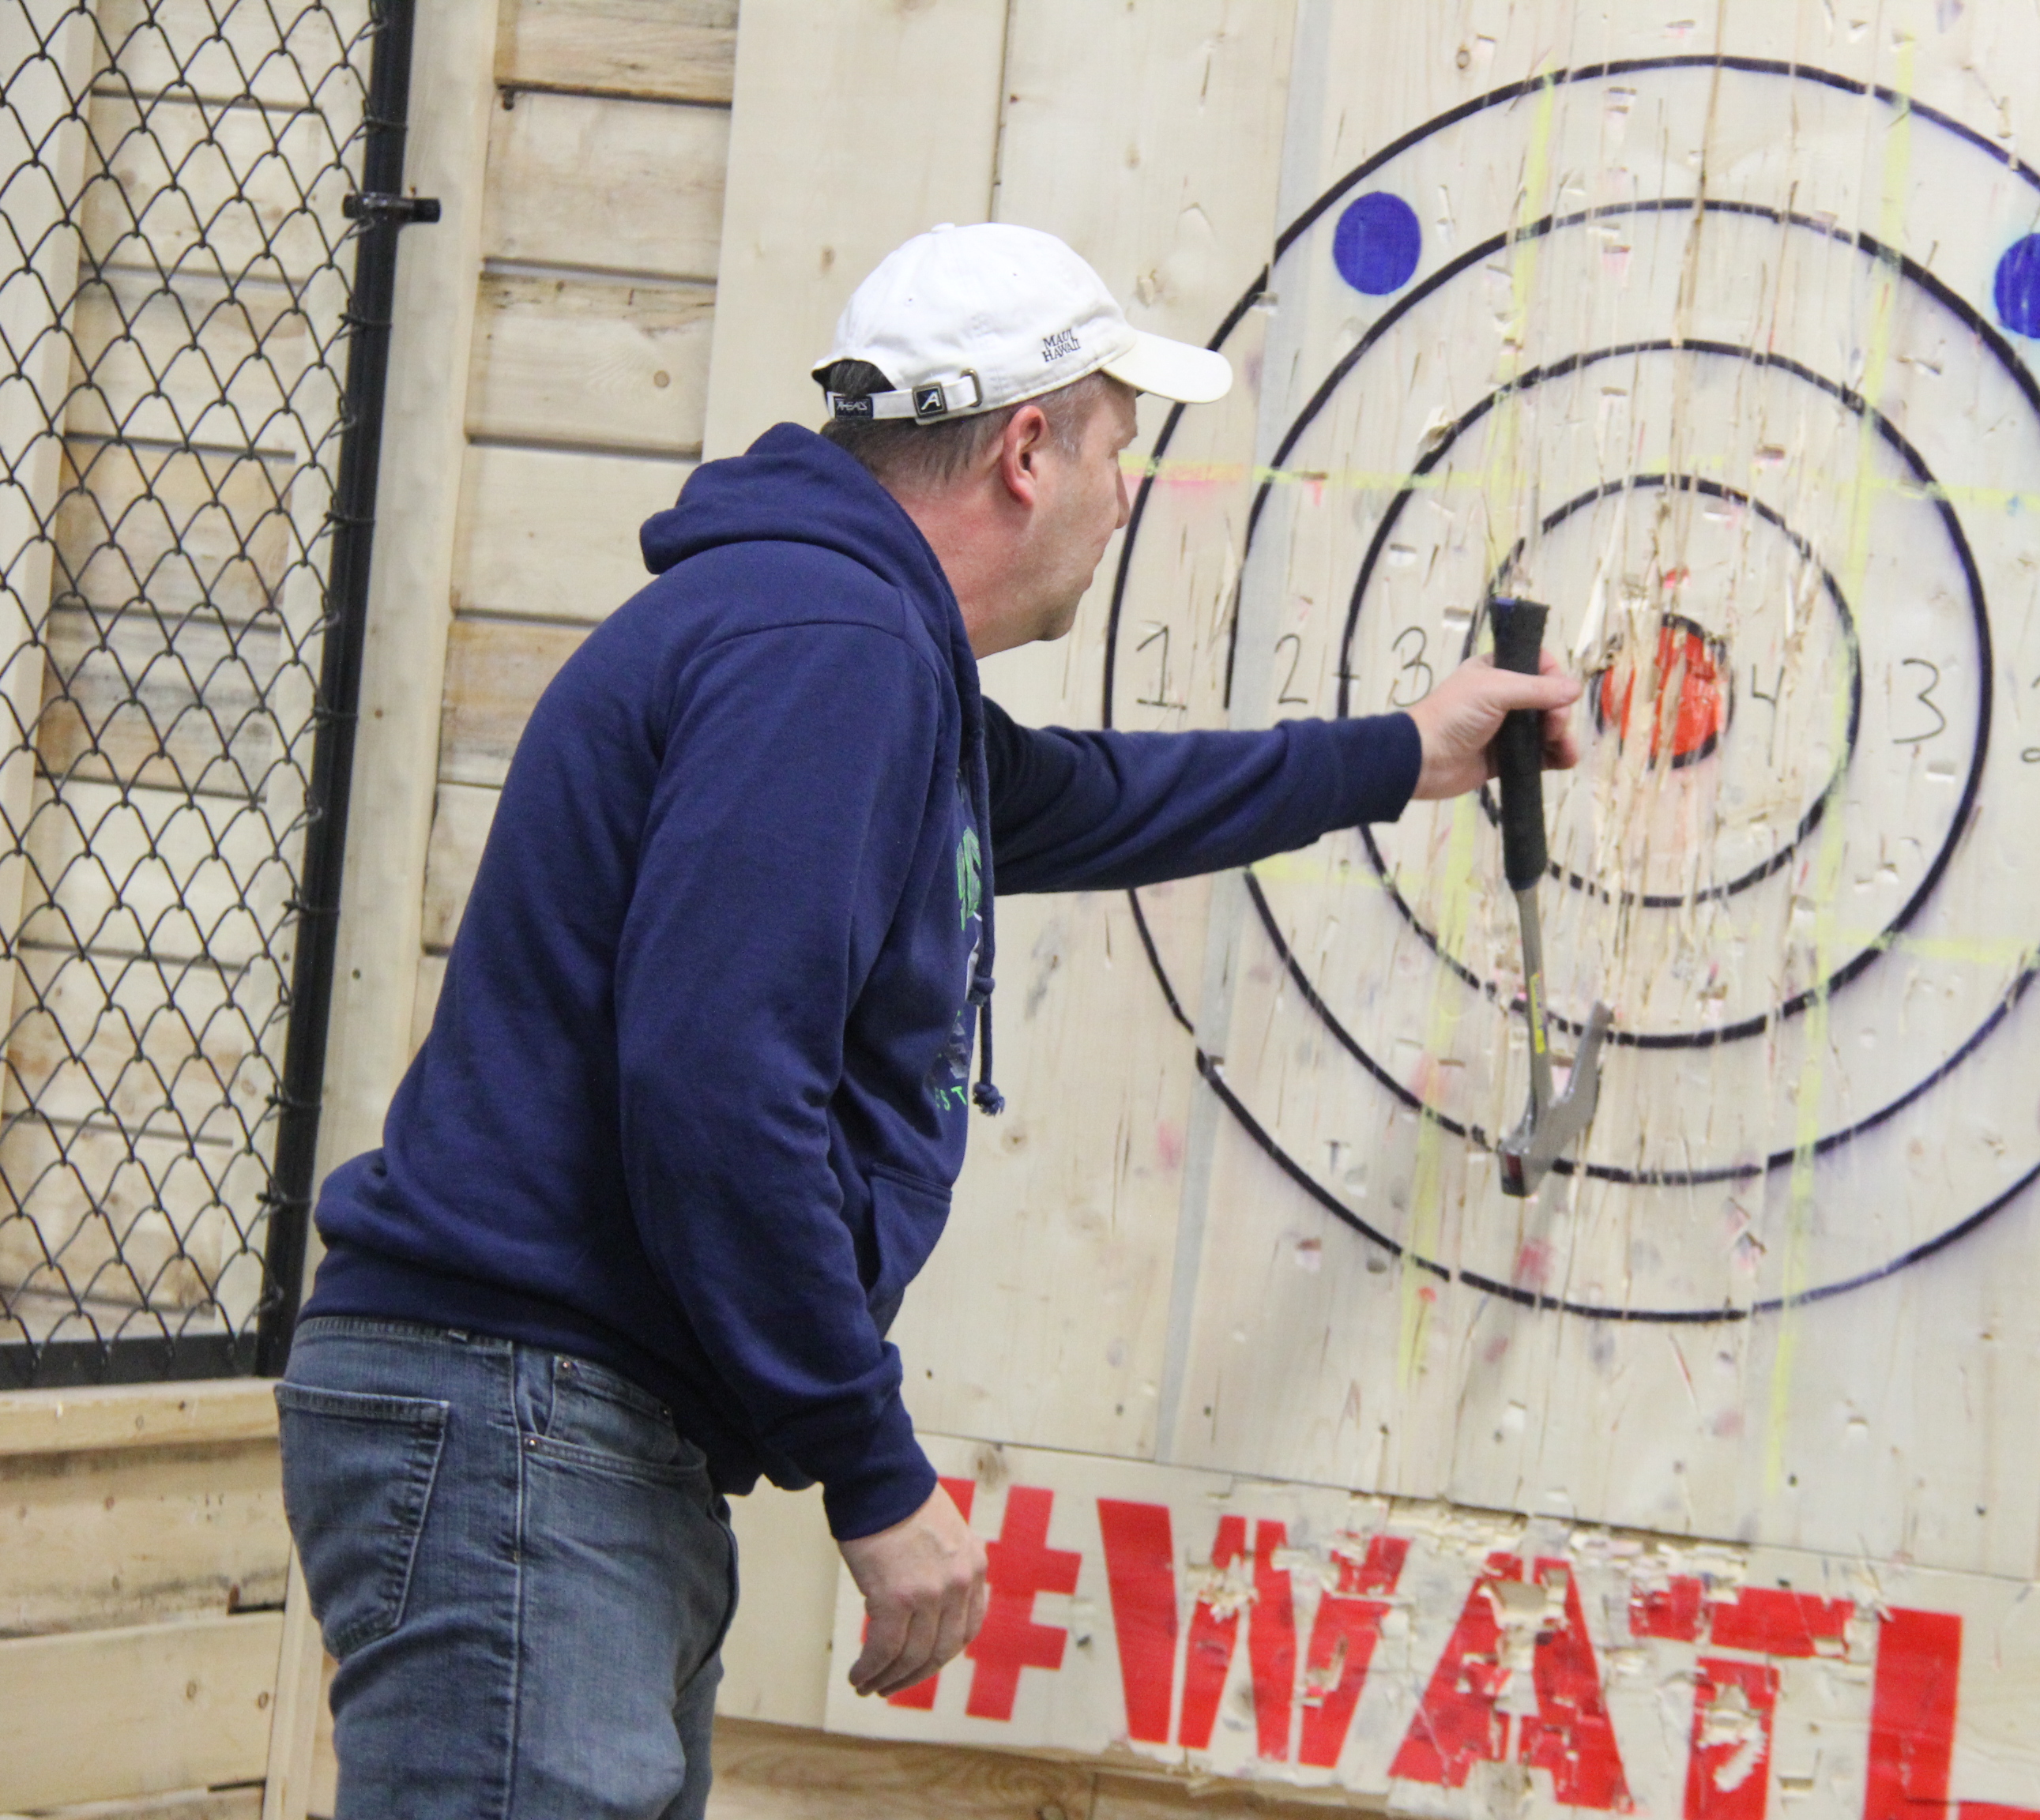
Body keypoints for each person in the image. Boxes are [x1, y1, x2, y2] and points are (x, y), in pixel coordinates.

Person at [273, 222, 1579, 1818]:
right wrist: (872, 1466)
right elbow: (714, 1086)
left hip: (552, 1421)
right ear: (1028, 453)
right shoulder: (827, 649)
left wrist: (1403, 752)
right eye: (1116, 451)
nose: (1124, 499)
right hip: (525, 1416)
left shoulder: (845, 642)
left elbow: (1085, 800)